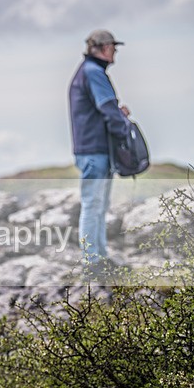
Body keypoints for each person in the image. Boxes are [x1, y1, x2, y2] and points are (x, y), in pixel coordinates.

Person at [68, 29, 131, 274]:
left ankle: (99, 258)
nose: (115, 52)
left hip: (91, 149)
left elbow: (103, 109)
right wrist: (123, 128)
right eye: (113, 48)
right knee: (93, 205)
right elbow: (107, 108)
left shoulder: (87, 72)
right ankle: (92, 262)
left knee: (98, 205)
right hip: (95, 150)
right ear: (103, 48)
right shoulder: (94, 73)